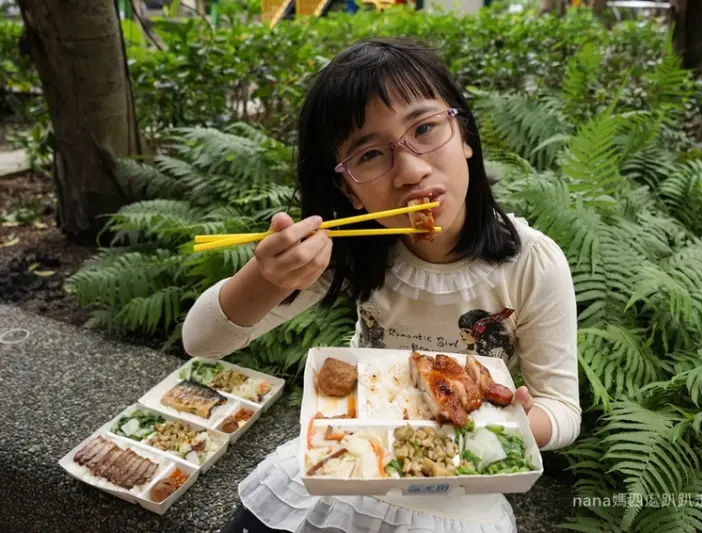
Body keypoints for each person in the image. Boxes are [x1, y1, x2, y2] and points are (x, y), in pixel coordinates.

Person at [181, 37, 582, 533]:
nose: (412, 171)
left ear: (465, 136)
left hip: (456, 490)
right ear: (348, 188)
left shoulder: (532, 263)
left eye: (426, 128)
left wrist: (516, 424)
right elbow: (201, 341)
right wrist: (266, 276)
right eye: (370, 154)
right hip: (349, 462)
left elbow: (562, 410)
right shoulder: (351, 249)